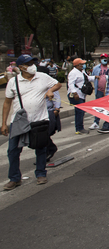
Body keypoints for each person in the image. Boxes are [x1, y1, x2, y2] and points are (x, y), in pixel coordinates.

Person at [2, 54, 62, 190]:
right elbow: (7, 103)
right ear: (21, 67)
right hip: (18, 122)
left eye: (32, 63)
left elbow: (57, 84)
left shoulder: (42, 77)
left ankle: (41, 173)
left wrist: (50, 91)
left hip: (39, 120)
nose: (32, 66)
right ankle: (14, 178)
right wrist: (4, 123)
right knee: (13, 151)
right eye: (28, 64)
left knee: (41, 148)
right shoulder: (14, 82)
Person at [67, 58, 96, 135]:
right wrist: (74, 93)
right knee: (80, 111)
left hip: (82, 94)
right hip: (76, 94)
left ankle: (80, 127)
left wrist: (95, 77)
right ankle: (79, 128)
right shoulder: (73, 73)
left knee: (81, 112)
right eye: (81, 64)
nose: (83, 66)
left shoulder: (82, 72)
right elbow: (70, 84)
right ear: (77, 65)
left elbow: (87, 78)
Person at [90, 53, 109, 132]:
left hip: (108, 90)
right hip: (99, 90)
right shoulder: (96, 68)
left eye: (105, 58)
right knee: (98, 107)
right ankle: (96, 122)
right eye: (102, 58)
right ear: (100, 59)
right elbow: (92, 77)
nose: (103, 59)